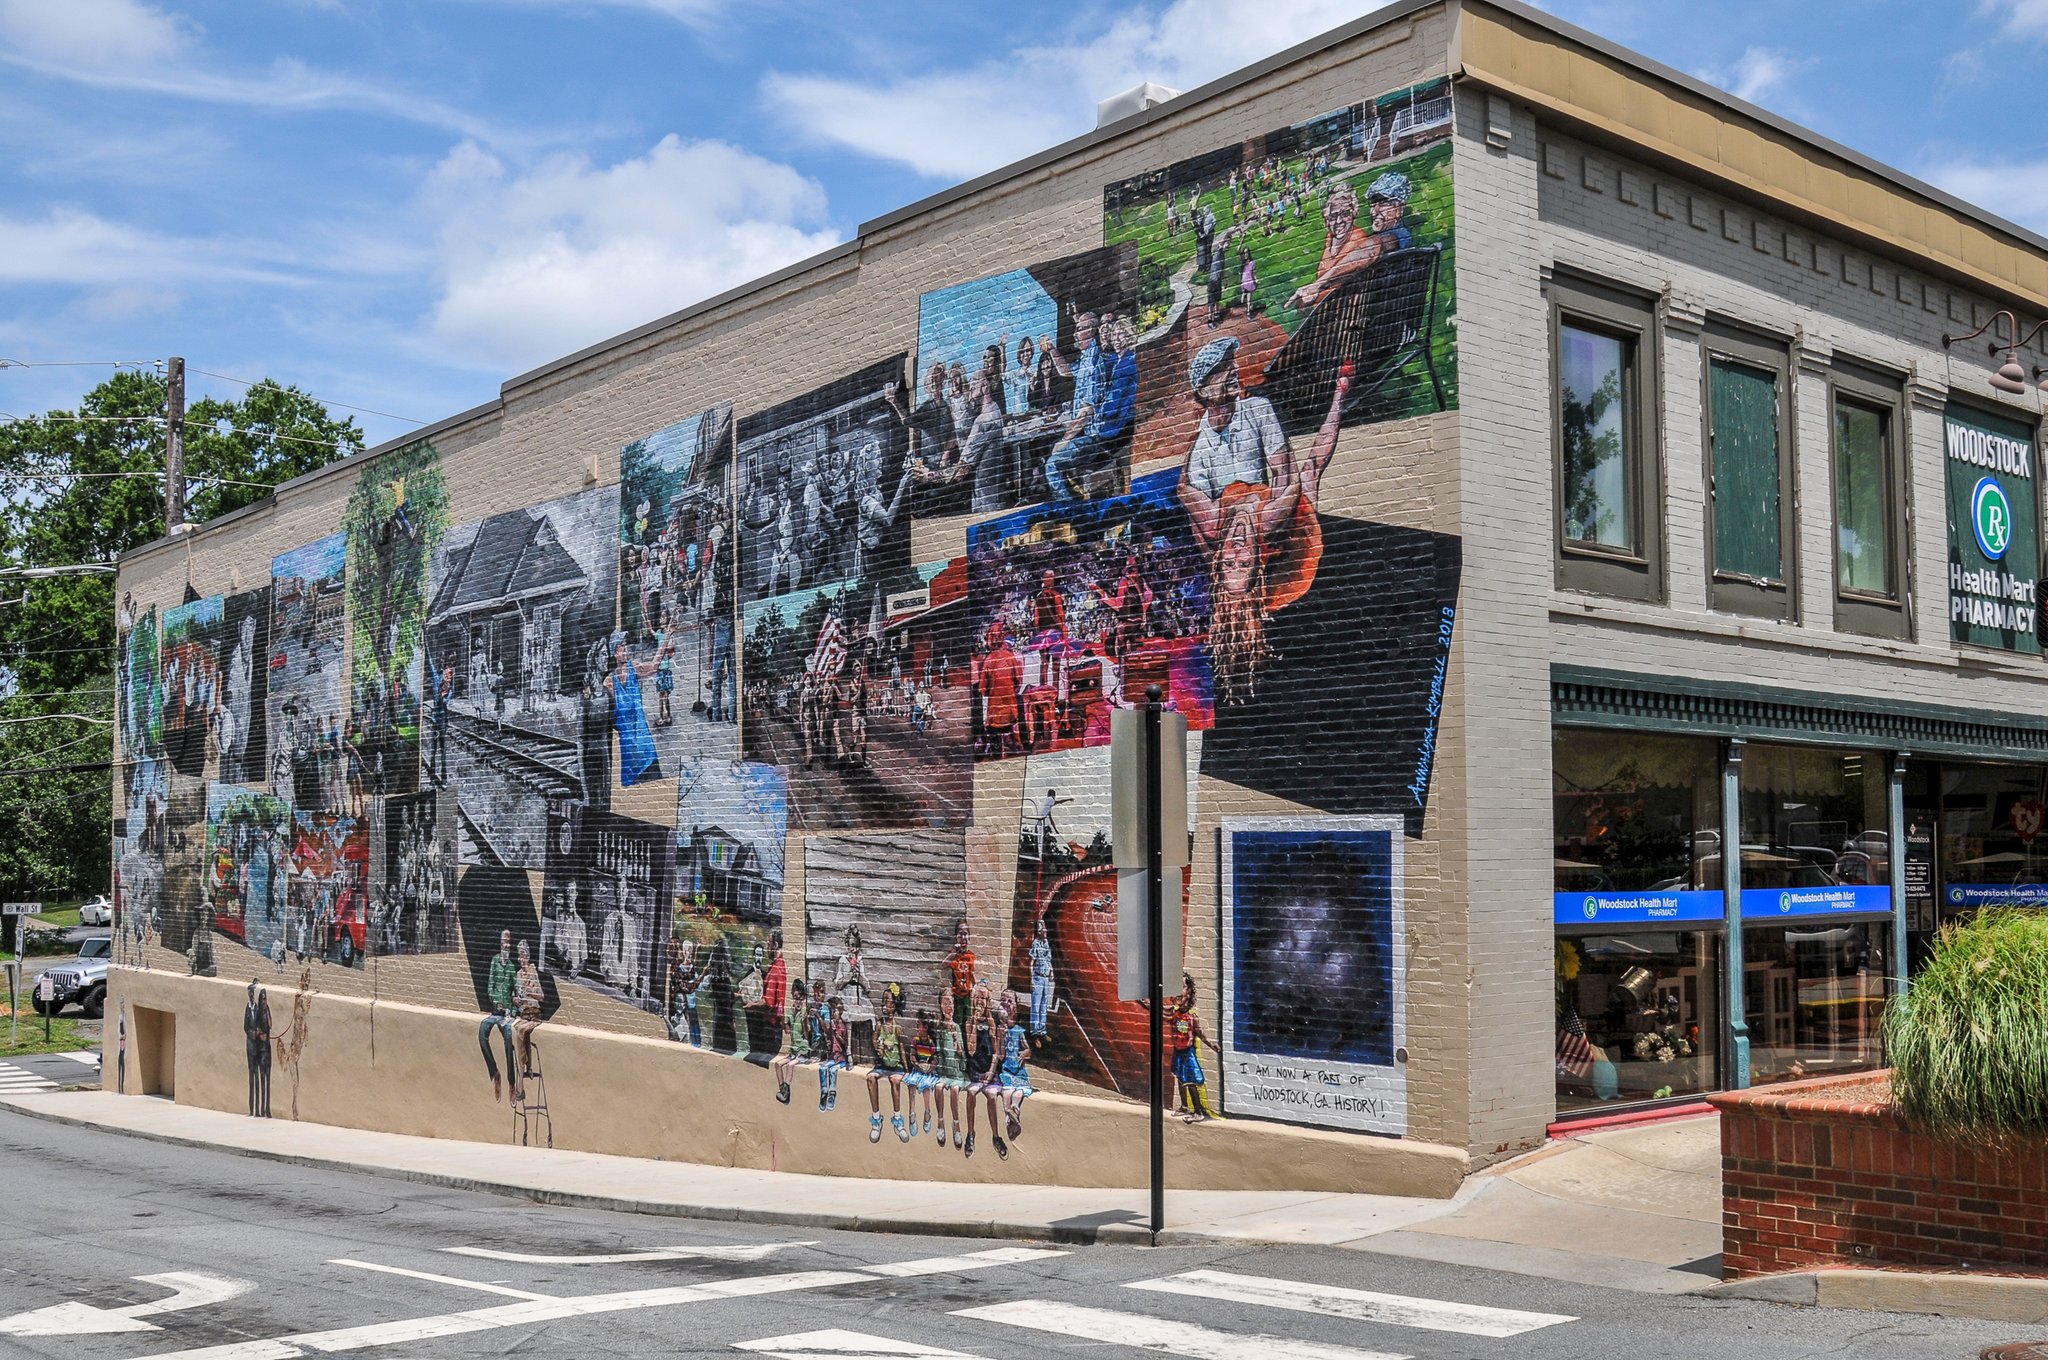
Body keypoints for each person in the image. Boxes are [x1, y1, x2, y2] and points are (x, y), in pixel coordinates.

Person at [1287, 173, 1414, 313]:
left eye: (1383, 203)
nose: (1374, 211)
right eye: (1373, 203)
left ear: (1400, 208)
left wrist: (1318, 284)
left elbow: (1372, 248)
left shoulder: (1398, 236)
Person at [603, 637, 662, 787]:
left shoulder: (633, 667)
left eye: (626, 646)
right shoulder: (609, 683)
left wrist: (668, 634)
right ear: (614, 652)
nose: (626, 650)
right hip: (629, 753)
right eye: (622, 647)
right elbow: (609, 717)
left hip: (645, 746)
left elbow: (654, 666)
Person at [1170, 972, 1221, 1121]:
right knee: (1180, 1078)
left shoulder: (1191, 1017)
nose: (1178, 992)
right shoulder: (1174, 1013)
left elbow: (1200, 1034)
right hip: (1178, 1051)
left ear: (1190, 991)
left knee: (1190, 1080)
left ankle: (1198, 1111)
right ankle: (1184, 1106)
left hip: (1188, 1052)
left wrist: (1211, 1045)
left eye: (1182, 987)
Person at [866, 983, 911, 1144]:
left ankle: (898, 1120)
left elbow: (902, 1050)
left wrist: (906, 1070)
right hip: (883, 1065)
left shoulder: (897, 1027)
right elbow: (874, 1038)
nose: (885, 1005)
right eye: (884, 1001)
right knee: (870, 1078)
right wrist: (877, 1047)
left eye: (889, 1002)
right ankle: (876, 1119)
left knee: (895, 1081)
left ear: (894, 1006)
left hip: (896, 1065)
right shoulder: (879, 1024)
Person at [478, 929, 519, 1102]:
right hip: (496, 1012)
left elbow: (517, 992)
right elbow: (490, 987)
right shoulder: (495, 962)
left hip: (507, 1015)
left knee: (508, 1037)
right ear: (500, 942)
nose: (506, 944)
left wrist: (513, 1012)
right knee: (482, 1031)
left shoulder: (511, 967)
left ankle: (511, 1082)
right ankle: (495, 1073)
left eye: (509, 942)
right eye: (504, 941)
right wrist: (496, 1003)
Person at [977, 624, 1023, 756]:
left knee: (992, 731)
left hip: (995, 714)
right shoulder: (1010, 656)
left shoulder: (988, 660)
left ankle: (996, 753)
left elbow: (983, 689)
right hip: (1010, 712)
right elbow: (1018, 681)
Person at [833, 925, 875, 1066]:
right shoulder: (843, 960)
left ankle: (870, 1051)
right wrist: (850, 976)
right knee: (849, 1016)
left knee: (870, 1014)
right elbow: (838, 983)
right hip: (846, 994)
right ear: (847, 945)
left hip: (858, 995)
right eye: (851, 946)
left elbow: (866, 983)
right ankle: (849, 1050)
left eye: (856, 946)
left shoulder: (860, 960)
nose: (853, 949)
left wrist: (860, 978)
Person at [770, 976, 810, 1105]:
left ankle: (786, 1092)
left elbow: (807, 1034)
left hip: (803, 1051)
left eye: (799, 998)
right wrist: (782, 1020)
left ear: (803, 998)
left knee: (790, 1066)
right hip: (793, 1051)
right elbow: (787, 1031)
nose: (797, 1001)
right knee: (778, 1065)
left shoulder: (805, 1012)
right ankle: (783, 1090)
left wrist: (805, 1021)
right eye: (795, 997)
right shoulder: (792, 1011)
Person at [244, 978, 272, 1118]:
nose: (252, 995)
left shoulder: (261, 1009)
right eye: (250, 993)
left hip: (261, 1049)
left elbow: (268, 1025)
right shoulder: (248, 1009)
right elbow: (246, 1027)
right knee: (252, 1077)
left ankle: (262, 1109)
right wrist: (254, 1034)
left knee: (262, 1077)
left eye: (253, 993)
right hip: (251, 1048)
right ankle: (252, 1109)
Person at [1027, 917, 1056, 1039]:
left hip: (1045, 978)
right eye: (1043, 931)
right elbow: (1031, 963)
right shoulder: (1036, 943)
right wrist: (1031, 980)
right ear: (1039, 932)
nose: (1046, 932)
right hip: (1038, 977)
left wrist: (1051, 971)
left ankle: (1042, 1031)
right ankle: (1034, 1033)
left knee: (1044, 1005)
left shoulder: (1046, 943)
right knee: (1036, 1005)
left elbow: (1048, 959)